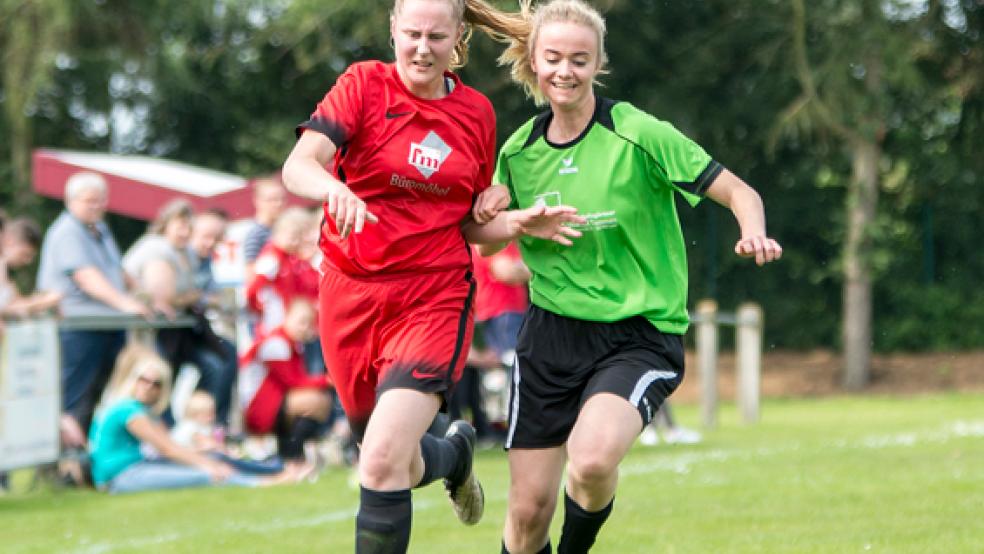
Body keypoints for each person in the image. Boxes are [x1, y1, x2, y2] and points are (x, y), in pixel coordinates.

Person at [475, 2, 784, 552]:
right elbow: (486, 242)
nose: (565, 71)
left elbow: (740, 191)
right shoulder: (518, 151)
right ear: (534, 61)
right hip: (550, 337)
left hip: (636, 335)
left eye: (579, 59)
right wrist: (505, 217)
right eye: (553, 58)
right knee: (526, 515)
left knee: (591, 460)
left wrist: (753, 231)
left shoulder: (639, 132)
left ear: (598, 64)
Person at [280, 0, 584, 550]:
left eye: (437, 37)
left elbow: (473, 230)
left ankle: (446, 454)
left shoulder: (475, 113)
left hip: (434, 295)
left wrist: (513, 221)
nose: (423, 48)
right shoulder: (363, 86)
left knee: (380, 460)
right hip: (349, 293)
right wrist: (333, 188)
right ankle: (454, 455)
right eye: (413, 34)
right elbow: (298, 165)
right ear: (393, 29)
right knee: (385, 455)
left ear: (458, 36)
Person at [36, 172, 152, 447]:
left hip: (107, 324)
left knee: (96, 394)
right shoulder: (67, 231)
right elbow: (86, 277)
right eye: (90, 201)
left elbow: (117, 270)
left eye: (101, 200)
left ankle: (83, 456)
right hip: (79, 327)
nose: (97, 206)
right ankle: (65, 459)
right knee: (74, 396)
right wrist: (125, 304)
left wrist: (147, 297)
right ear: (71, 200)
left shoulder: (100, 229)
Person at [88, 344, 282, 494]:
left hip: (136, 467)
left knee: (212, 458)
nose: (148, 387)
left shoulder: (138, 409)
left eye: (156, 384)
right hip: (120, 476)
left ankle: (272, 470)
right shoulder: (128, 410)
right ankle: (260, 482)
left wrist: (203, 456)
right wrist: (208, 465)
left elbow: (169, 445)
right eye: (143, 380)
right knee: (206, 474)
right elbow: (167, 449)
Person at [124, 199, 239, 428]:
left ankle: (199, 424)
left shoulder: (183, 253)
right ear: (166, 224)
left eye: (188, 227)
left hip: (174, 332)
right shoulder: (157, 249)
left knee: (216, 363)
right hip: (149, 334)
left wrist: (192, 298)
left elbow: (195, 296)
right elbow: (166, 298)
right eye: (181, 226)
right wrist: (192, 298)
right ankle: (168, 429)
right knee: (158, 379)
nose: (185, 232)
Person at [239, 298, 332, 481]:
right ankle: (293, 458)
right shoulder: (277, 343)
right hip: (257, 408)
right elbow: (293, 381)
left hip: (272, 403)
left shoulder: (289, 344)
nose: (305, 328)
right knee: (316, 401)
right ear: (287, 317)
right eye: (301, 321)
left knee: (318, 401)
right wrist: (328, 380)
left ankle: (293, 456)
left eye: (309, 323)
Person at [245, 207, 319, 335]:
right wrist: (259, 310)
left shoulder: (290, 258)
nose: (295, 242)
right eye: (292, 237)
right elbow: (252, 289)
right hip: (274, 325)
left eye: (299, 237)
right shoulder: (272, 258)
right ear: (279, 233)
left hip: (289, 325)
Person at [242, 178, 287, 281]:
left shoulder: (281, 230)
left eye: (282, 199)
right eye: (272, 200)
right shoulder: (255, 234)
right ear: (257, 201)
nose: (279, 203)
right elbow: (251, 274)